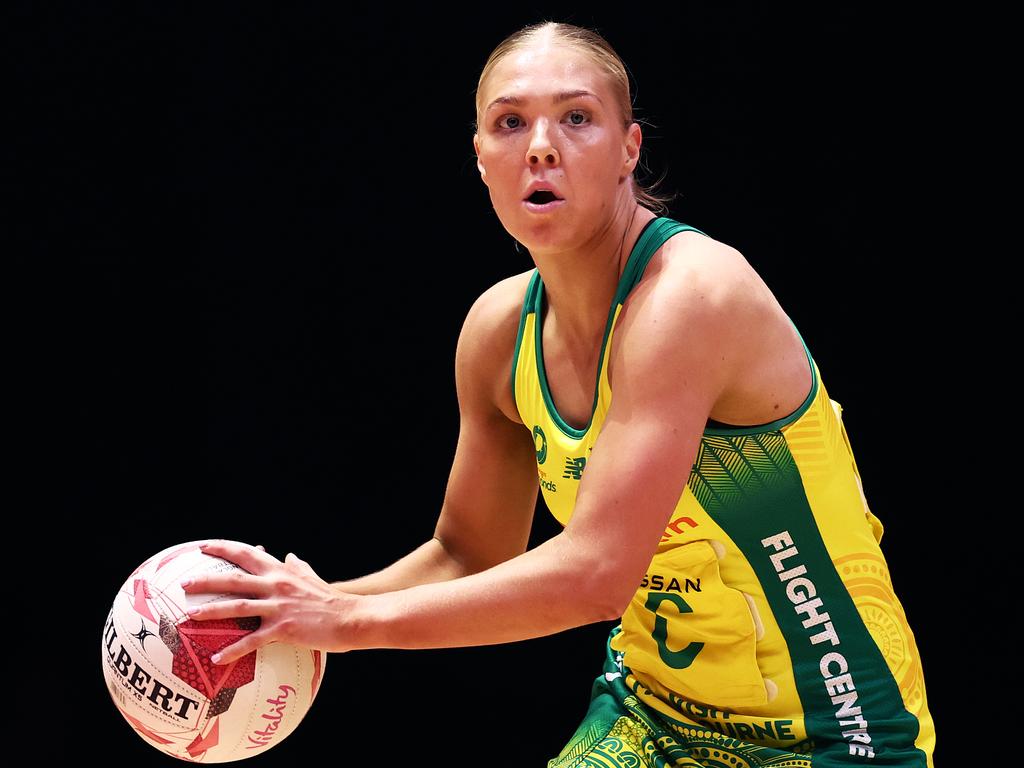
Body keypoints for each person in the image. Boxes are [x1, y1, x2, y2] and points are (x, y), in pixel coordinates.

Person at [183, 21, 935, 767]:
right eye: (510, 123)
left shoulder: (690, 296)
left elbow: (596, 576)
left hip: (837, 729)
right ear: (480, 159)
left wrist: (349, 620)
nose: (541, 145)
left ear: (628, 150)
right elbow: (467, 553)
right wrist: (303, 612)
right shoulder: (499, 333)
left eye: (577, 118)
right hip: (653, 717)